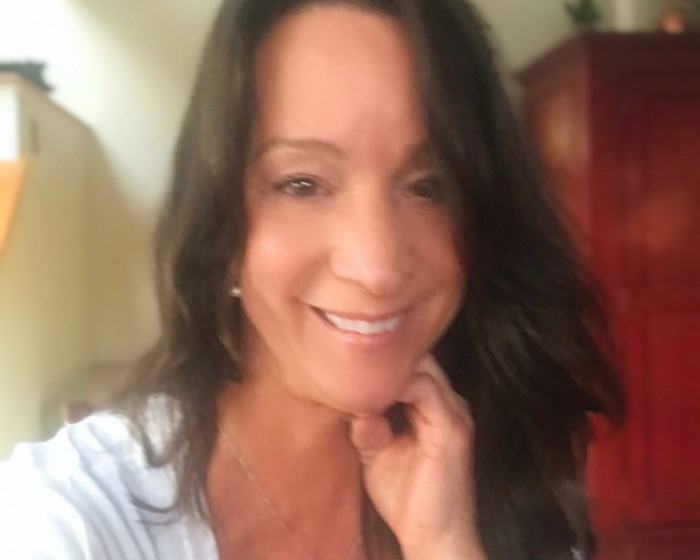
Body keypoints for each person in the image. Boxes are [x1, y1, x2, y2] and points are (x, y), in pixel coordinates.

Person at [0, 0, 624, 559]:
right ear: (221, 221)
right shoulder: (66, 522)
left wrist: (445, 546)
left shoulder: (512, 487)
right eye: (302, 184)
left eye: (429, 186)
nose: (377, 269)